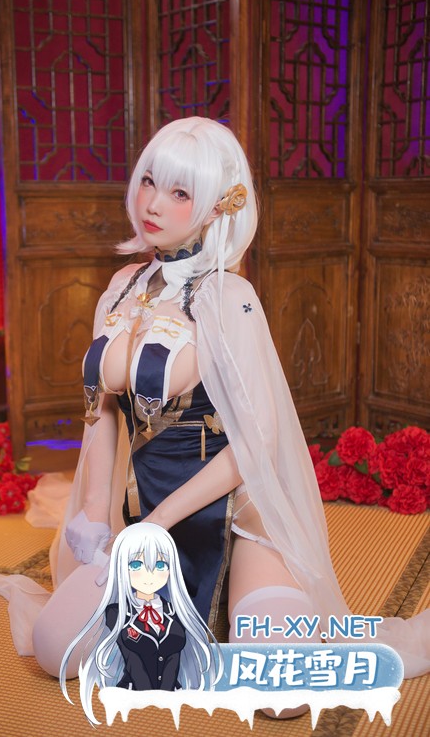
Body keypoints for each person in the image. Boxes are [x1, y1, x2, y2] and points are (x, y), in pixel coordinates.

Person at [31, 117, 429, 698]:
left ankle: (234, 613)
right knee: (53, 650)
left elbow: (255, 442)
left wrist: (158, 527)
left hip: (234, 516)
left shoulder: (230, 296)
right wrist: (95, 511)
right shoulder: (121, 287)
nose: (153, 203)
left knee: (281, 690)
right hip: (139, 512)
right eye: (149, 182)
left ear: (219, 206)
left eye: (180, 192)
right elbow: (102, 411)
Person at [60, 523, 221, 724]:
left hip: (210, 530)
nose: (149, 576)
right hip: (132, 693)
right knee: (55, 650)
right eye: (137, 566)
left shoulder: (177, 612)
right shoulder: (115, 612)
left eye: (160, 566)